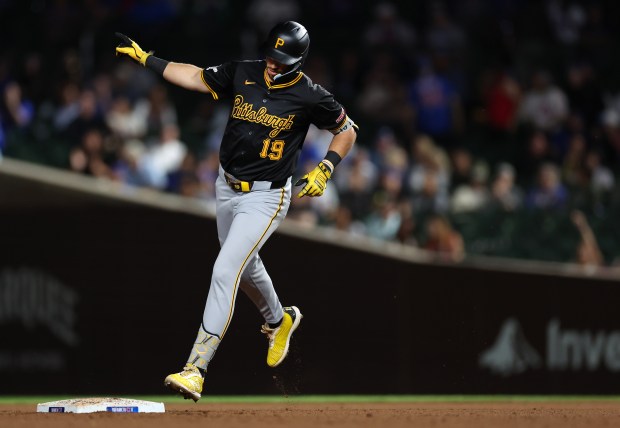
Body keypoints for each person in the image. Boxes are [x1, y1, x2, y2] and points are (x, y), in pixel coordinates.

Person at [115, 21, 358, 401]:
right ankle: (280, 320)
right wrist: (148, 59)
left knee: (226, 267)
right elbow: (196, 76)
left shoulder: (311, 95)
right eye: (271, 56)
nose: (273, 64)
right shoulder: (244, 71)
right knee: (243, 266)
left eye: (282, 60)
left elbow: (347, 130)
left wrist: (326, 167)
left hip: (267, 196)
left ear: (298, 60)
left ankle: (196, 367)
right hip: (226, 186)